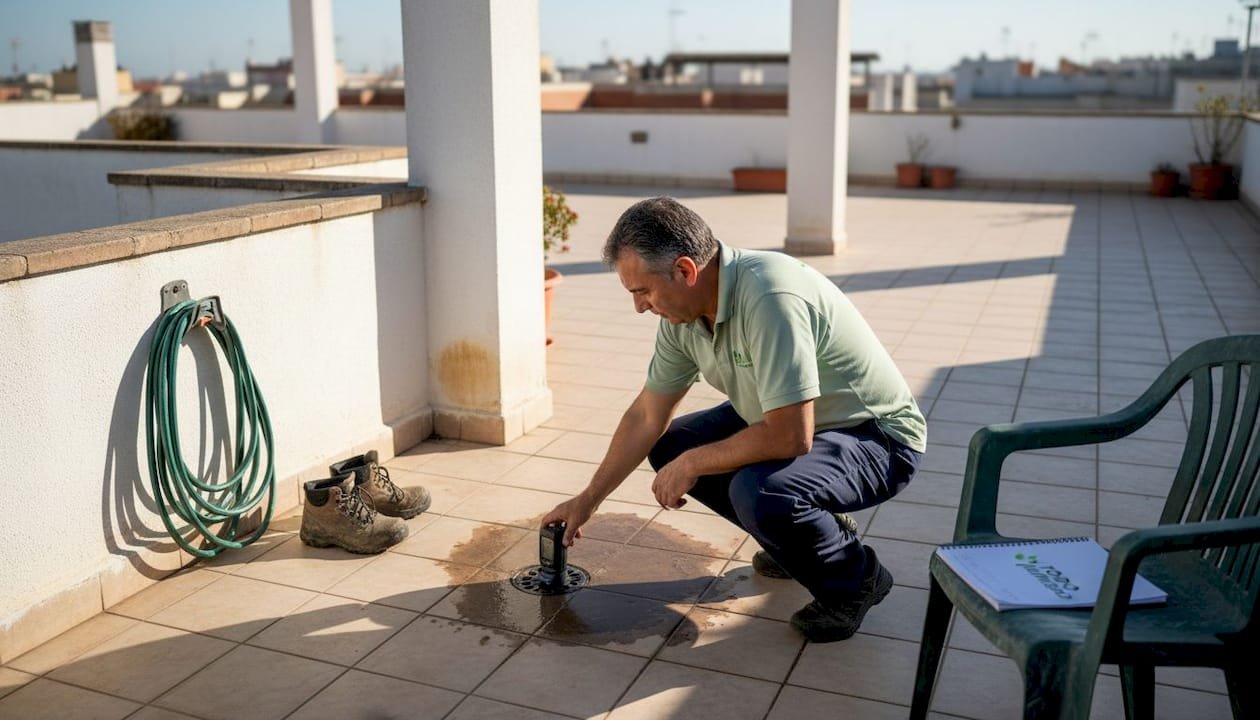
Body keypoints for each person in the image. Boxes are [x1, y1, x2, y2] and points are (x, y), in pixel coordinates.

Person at [540, 197, 926, 642]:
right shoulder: (682, 317)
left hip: (875, 436)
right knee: (672, 444)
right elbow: (648, 414)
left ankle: (854, 578)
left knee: (760, 490)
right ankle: (798, 544)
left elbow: (789, 436)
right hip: (790, 417)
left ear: (686, 271)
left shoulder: (770, 297)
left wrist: (694, 464)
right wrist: (588, 499)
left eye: (642, 291)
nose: (640, 307)